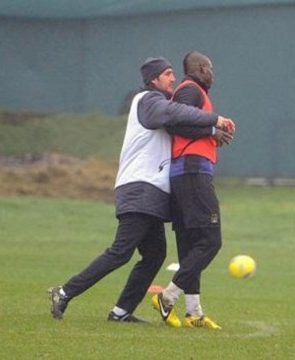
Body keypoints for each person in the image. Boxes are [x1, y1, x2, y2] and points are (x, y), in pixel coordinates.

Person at [49, 57, 235, 322]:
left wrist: (209, 131)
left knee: (155, 254)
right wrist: (215, 119)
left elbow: (178, 123)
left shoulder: (160, 104)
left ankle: (121, 312)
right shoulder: (148, 100)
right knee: (121, 251)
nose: (174, 79)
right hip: (140, 187)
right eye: (168, 74)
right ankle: (64, 292)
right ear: (153, 80)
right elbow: (173, 114)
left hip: (152, 191)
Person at [152, 51, 232, 329]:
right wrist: (211, 130)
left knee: (190, 246)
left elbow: (185, 123)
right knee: (211, 241)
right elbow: (176, 123)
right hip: (193, 171)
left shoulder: (192, 91)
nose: (213, 73)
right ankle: (167, 296)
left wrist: (211, 132)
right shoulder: (190, 90)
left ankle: (194, 313)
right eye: (210, 67)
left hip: (184, 173)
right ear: (199, 68)